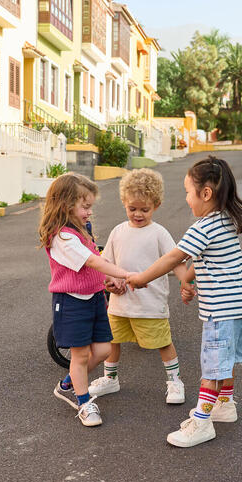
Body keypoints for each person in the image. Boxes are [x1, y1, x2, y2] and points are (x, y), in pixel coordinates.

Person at [127, 155, 242, 448]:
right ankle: (224, 405)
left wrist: (141, 278)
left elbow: (175, 256)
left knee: (212, 367)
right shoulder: (224, 220)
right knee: (224, 361)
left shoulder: (204, 226)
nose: (186, 199)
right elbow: (202, 260)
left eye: (188, 192)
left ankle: (201, 423)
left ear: (206, 193)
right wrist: (187, 280)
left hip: (220, 310)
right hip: (236, 307)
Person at [88, 168, 190, 405]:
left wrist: (186, 280)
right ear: (124, 202)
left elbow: (174, 260)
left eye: (145, 209)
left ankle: (174, 380)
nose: (138, 214)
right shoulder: (118, 232)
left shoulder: (159, 233)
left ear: (156, 204)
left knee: (163, 342)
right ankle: (110, 378)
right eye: (132, 208)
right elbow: (107, 263)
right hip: (119, 304)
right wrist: (110, 283)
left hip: (150, 304)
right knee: (112, 340)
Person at [38, 172, 129, 428]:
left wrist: (108, 279)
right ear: (66, 205)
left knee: (103, 349)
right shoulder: (62, 237)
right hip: (72, 302)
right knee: (79, 356)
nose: (89, 212)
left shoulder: (81, 230)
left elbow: (95, 259)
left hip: (94, 298)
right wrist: (124, 273)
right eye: (85, 206)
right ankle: (84, 402)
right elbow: (90, 260)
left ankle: (68, 383)